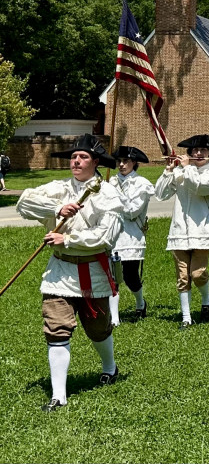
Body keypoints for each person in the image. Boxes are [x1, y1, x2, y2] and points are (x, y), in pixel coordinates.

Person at [16, 134, 124, 412]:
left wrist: (70, 239)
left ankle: (110, 367)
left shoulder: (109, 193)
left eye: (83, 157)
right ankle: (58, 396)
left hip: (92, 272)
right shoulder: (59, 187)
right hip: (59, 272)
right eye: (73, 157)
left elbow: (106, 236)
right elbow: (24, 203)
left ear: (96, 161)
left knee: (98, 330)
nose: (76, 161)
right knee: (56, 329)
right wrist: (56, 208)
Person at [154, 134, 209, 328]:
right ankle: (186, 317)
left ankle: (206, 300)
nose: (198, 153)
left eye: (203, 150)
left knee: (197, 274)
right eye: (194, 151)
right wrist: (168, 171)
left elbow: (200, 187)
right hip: (179, 230)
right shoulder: (182, 171)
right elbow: (160, 194)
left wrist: (186, 167)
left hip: (203, 230)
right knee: (183, 277)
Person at [108, 146, 155, 325]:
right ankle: (114, 318)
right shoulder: (109, 182)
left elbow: (132, 211)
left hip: (131, 236)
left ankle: (140, 302)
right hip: (112, 236)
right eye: (119, 161)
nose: (121, 165)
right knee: (112, 278)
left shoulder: (141, 184)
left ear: (134, 163)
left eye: (125, 161)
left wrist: (114, 195)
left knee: (130, 277)